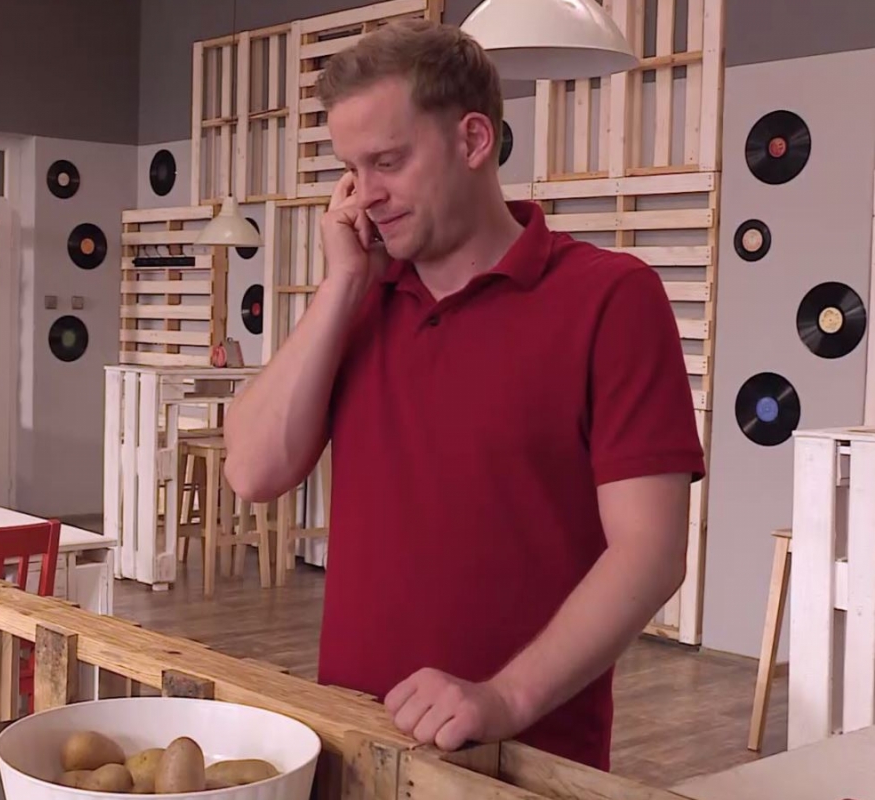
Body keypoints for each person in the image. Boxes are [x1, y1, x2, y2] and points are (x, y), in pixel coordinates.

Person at [222, 18, 705, 771]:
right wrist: (342, 283)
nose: (366, 196)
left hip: (527, 761)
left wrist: (503, 698)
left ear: (474, 140)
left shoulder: (612, 297)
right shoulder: (359, 299)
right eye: (352, 170)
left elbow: (651, 552)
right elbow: (252, 472)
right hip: (354, 744)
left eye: (388, 161)